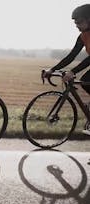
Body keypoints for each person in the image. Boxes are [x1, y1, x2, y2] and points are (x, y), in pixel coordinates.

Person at [43, 4, 90, 135]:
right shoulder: (83, 36)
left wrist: (72, 72)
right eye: (75, 23)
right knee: (86, 81)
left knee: (86, 80)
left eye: (80, 22)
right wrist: (52, 69)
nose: (77, 25)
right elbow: (71, 56)